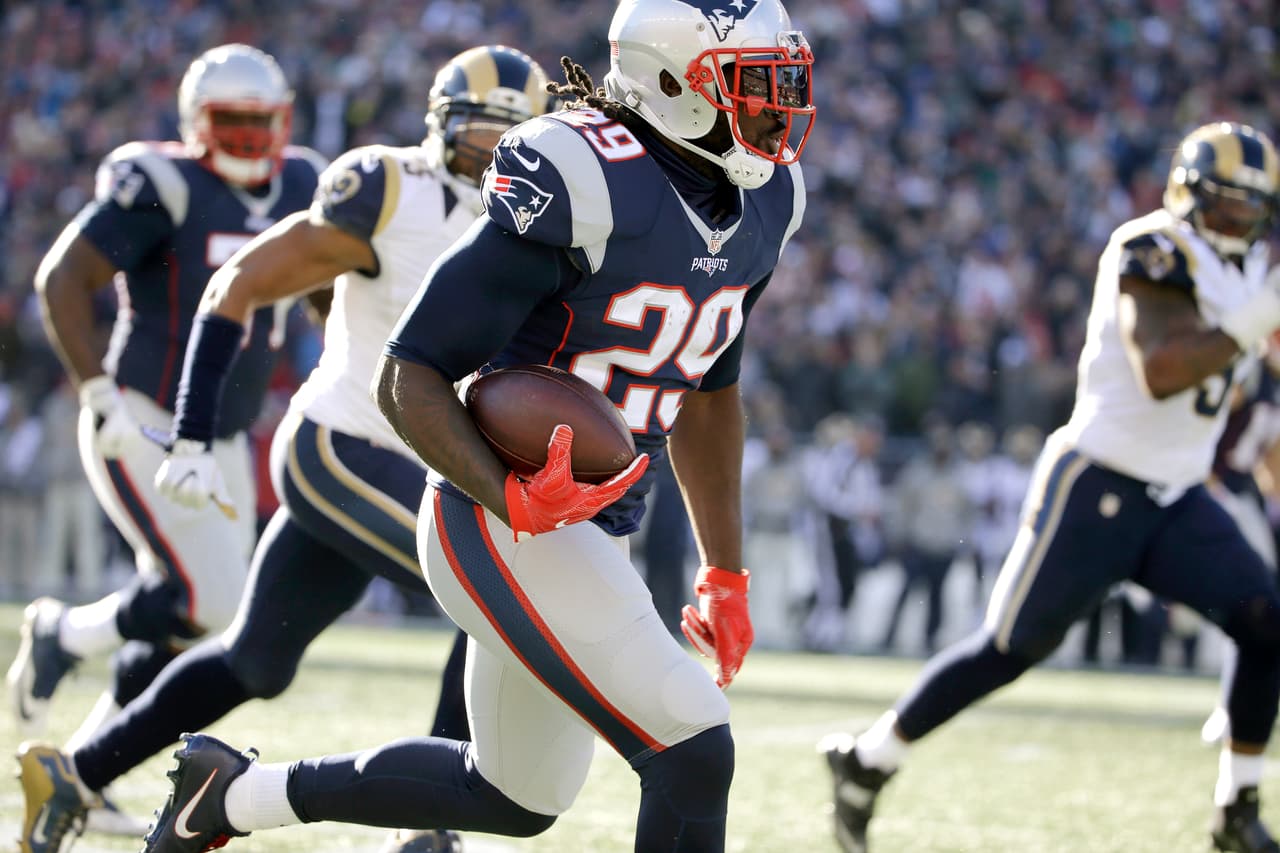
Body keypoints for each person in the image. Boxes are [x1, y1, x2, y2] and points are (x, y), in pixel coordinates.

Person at [140, 1, 815, 851]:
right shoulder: (587, 176)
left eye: (786, 82)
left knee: (515, 794)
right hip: (496, 516)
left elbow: (711, 389)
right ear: (676, 83)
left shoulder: (765, 198)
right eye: (756, 86)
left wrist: (724, 571)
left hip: (592, 527)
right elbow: (408, 372)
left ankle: (230, 795)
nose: (779, 107)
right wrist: (507, 496)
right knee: (693, 740)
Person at [12, 44, 552, 853]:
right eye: (477, 130)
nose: (490, 151)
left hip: (417, 462)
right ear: (441, 123)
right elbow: (239, 285)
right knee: (488, 591)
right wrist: (192, 432)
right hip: (341, 443)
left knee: (256, 661)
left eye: (511, 136)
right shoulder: (389, 186)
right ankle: (430, 820)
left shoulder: (533, 222)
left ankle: (75, 774)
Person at [819, 121, 1280, 853]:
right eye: (1227, 206)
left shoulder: (1250, 270)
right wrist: (1255, 320)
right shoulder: (1150, 246)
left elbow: (1257, 374)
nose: (1240, 223)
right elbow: (1162, 368)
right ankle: (869, 759)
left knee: (1265, 619)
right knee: (1009, 646)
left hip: (1178, 494)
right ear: (1191, 195)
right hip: (1098, 480)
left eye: (1253, 210)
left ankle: (1236, 807)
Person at [7, 43, 325, 838]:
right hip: (145, 414)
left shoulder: (303, 181)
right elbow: (62, 278)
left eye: (264, 123)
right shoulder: (163, 181)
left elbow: (324, 292)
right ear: (196, 123)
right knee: (208, 599)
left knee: (196, 619)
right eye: (234, 123)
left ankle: (79, 766)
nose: (252, 139)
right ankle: (62, 634)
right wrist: (98, 393)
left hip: (222, 429)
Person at [1201, 360, 1280, 744]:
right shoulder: (1250, 364)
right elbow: (1211, 412)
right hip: (1215, 490)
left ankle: (1238, 704)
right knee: (1252, 600)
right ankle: (1232, 707)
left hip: (1245, 495)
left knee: (1261, 603)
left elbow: (1272, 459)